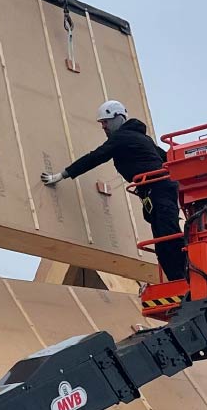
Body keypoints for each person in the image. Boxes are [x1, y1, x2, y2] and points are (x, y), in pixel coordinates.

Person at [40, 100, 187, 281]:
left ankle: (187, 278)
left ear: (118, 118)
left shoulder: (122, 138)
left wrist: (62, 175)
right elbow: (167, 158)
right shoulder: (142, 139)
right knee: (163, 242)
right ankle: (181, 281)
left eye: (105, 122)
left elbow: (95, 157)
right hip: (157, 190)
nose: (103, 126)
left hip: (158, 189)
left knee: (167, 238)